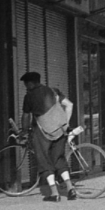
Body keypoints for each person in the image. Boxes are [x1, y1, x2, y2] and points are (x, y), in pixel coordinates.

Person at [21, 71, 74, 202]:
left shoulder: (29, 96)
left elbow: (26, 116)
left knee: (44, 161)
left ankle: (55, 194)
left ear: (31, 83)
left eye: (26, 84)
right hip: (60, 129)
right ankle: (70, 189)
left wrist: (24, 130)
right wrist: (65, 124)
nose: (25, 87)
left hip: (43, 132)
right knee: (59, 159)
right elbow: (69, 105)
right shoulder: (53, 90)